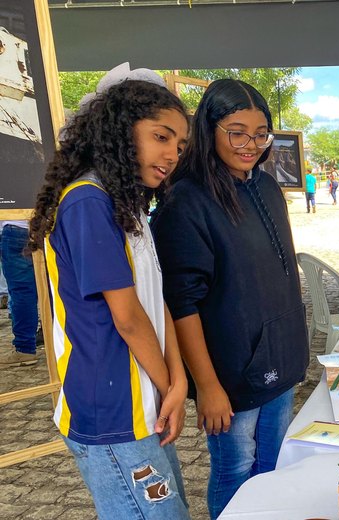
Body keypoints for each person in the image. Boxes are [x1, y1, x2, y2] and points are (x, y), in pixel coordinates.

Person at [27, 71, 190, 518]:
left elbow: (156, 303)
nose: (172, 154)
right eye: (161, 136)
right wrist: (168, 385)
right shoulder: (87, 202)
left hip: (145, 400)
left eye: (179, 145)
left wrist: (177, 383)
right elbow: (128, 317)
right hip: (113, 411)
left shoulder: (127, 203)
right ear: (120, 129)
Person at [151, 79, 310, 519]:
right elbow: (182, 303)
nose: (250, 145)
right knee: (235, 469)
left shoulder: (266, 186)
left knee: (272, 464)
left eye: (261, 134)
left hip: (280, 355)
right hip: (231, 371)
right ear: (209, 128)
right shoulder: (186, 200)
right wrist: (208, 387)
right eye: (236, 132)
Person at [0, 220, 39, 367]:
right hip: (50, 224)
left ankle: (24, 349)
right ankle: (60, 342)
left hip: (17, 227)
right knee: (55, 288)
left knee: (22, 292)